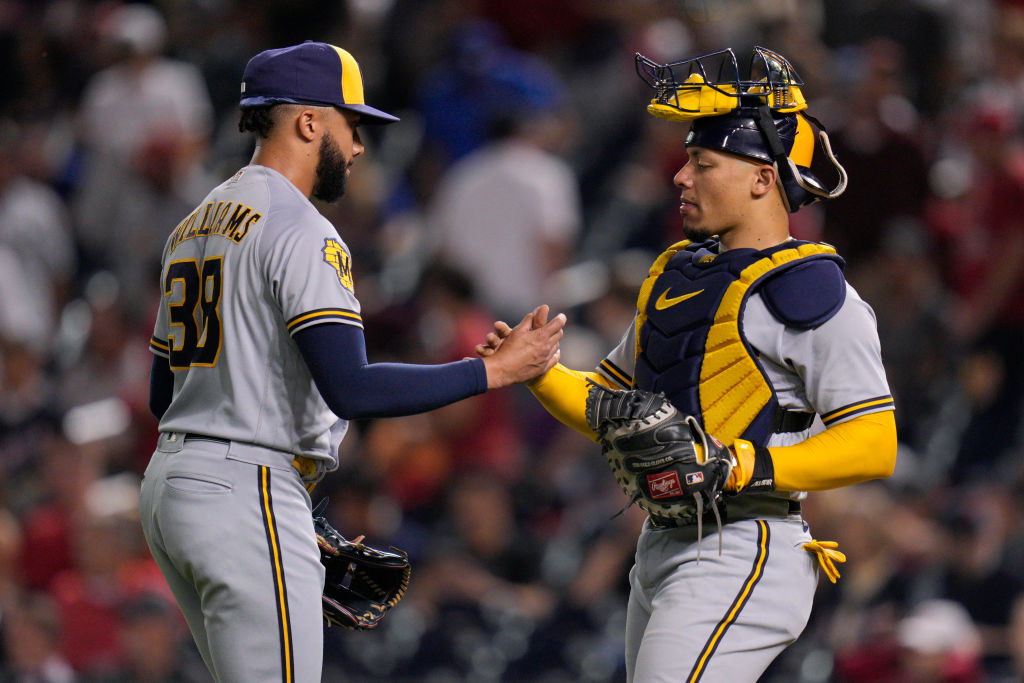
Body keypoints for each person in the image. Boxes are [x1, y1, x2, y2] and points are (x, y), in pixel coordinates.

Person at [138, 41, 565, 683]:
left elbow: (160, 394)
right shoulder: (300, 228)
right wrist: (494, 372)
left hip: (171, 490)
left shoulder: (194, 224)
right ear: (309, 122)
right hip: (243, 489)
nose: (360, 146)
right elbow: (353, 389)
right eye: (352, 124)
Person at [480, 46, 897, 681]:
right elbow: (609, 407)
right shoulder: (679, 275)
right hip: (663, 540)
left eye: (703, 163)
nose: (681, 177)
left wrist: (747, 464)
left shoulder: (815, 291)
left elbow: (875, 442)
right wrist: (538, 374)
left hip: (746, 545)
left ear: (762, 177)